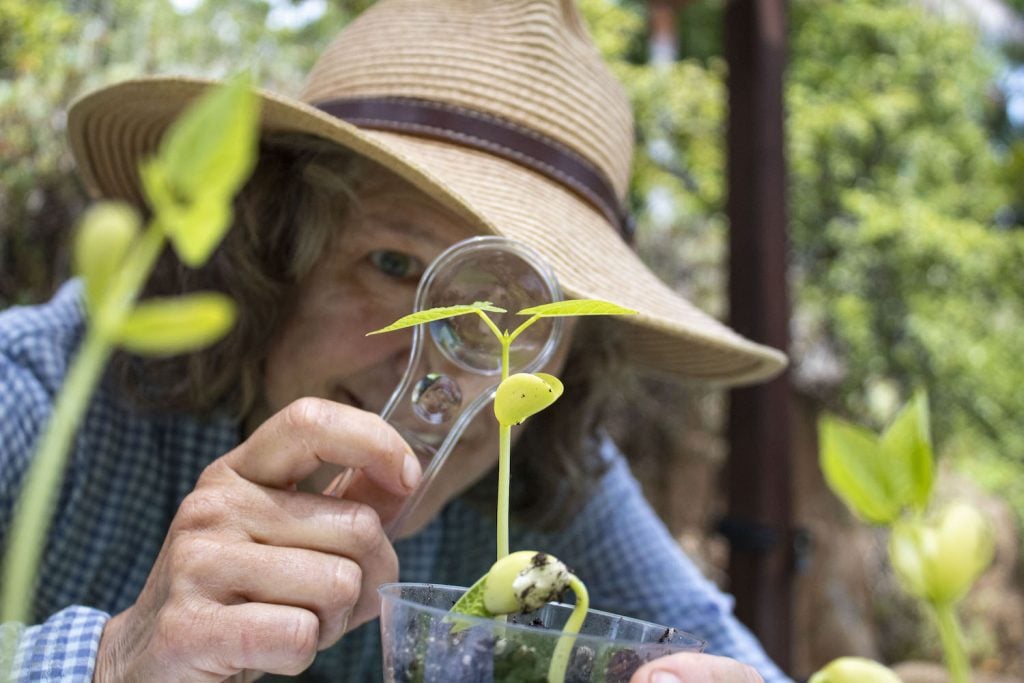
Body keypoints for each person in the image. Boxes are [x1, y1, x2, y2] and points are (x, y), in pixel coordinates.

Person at [1, 0, 792, 681]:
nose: (444, 379)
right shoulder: (42, 390)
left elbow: (739, 658)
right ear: (271, 255)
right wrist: (114, 660)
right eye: (392, 264)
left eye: (518, 320)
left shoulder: (536, 471)